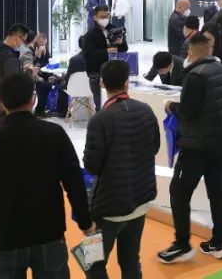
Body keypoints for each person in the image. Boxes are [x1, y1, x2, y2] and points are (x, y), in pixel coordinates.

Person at [0, 73, 90, 279]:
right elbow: (74, 182)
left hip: (5, 237)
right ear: (33, 99)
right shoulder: (54, 134)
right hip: (49, 233)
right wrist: (85, 222)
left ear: (0, 104)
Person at [158, 31, 222, 264]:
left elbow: (189, 111)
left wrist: (172, 106)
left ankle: (182, 244)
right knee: (217, 191)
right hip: (221, 143)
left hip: (197, 146)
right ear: (209, 49)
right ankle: (218, 242)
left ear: (191, 53)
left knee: (179, 192)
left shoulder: (195, 76)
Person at [83, 60, 160, 279]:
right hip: (139, 201)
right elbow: (154, 147)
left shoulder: (99, 119)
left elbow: (91, 165)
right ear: (127, 83)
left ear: (101, 83)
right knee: (131, 261)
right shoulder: (146, 110)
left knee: (93, 264)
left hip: (106, 206)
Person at [0, 24, 32, 128]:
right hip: (9, 103)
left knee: (1, 129)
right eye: (23, 41)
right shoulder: (10, 58)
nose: (23, 44)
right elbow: (15, 83)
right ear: (16, 37)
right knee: (12, 131)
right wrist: (29, 71)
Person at [82, 5, 121, 110]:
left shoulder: (114, 29)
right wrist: (106, 52)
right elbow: (88, 55)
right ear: (95, 18)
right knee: (101, 105)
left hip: (114, 71)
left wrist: (121, 43)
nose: (105, 19)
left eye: (107, 16)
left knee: (115, 104)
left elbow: (124, 49)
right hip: (96, 72)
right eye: (102, 17)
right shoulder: (90, 34)